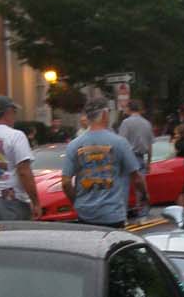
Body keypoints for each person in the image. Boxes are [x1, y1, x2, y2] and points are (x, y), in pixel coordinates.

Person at [61, 96, 146, 228]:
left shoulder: (74, 145)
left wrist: (77, 202)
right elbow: (137, 178)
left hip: (85, 214)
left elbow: (66, 182)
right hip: (113, 213)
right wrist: (145, 195)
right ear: (105, 114)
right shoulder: (120, 143)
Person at [118, 100, 155, 168]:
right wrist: (148, 163)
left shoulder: (126, 123)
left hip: (129, 161)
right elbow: (150, 147)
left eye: (126, 107)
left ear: (129, 108)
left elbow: (121, 144)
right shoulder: (147, 123)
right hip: (141, 161)